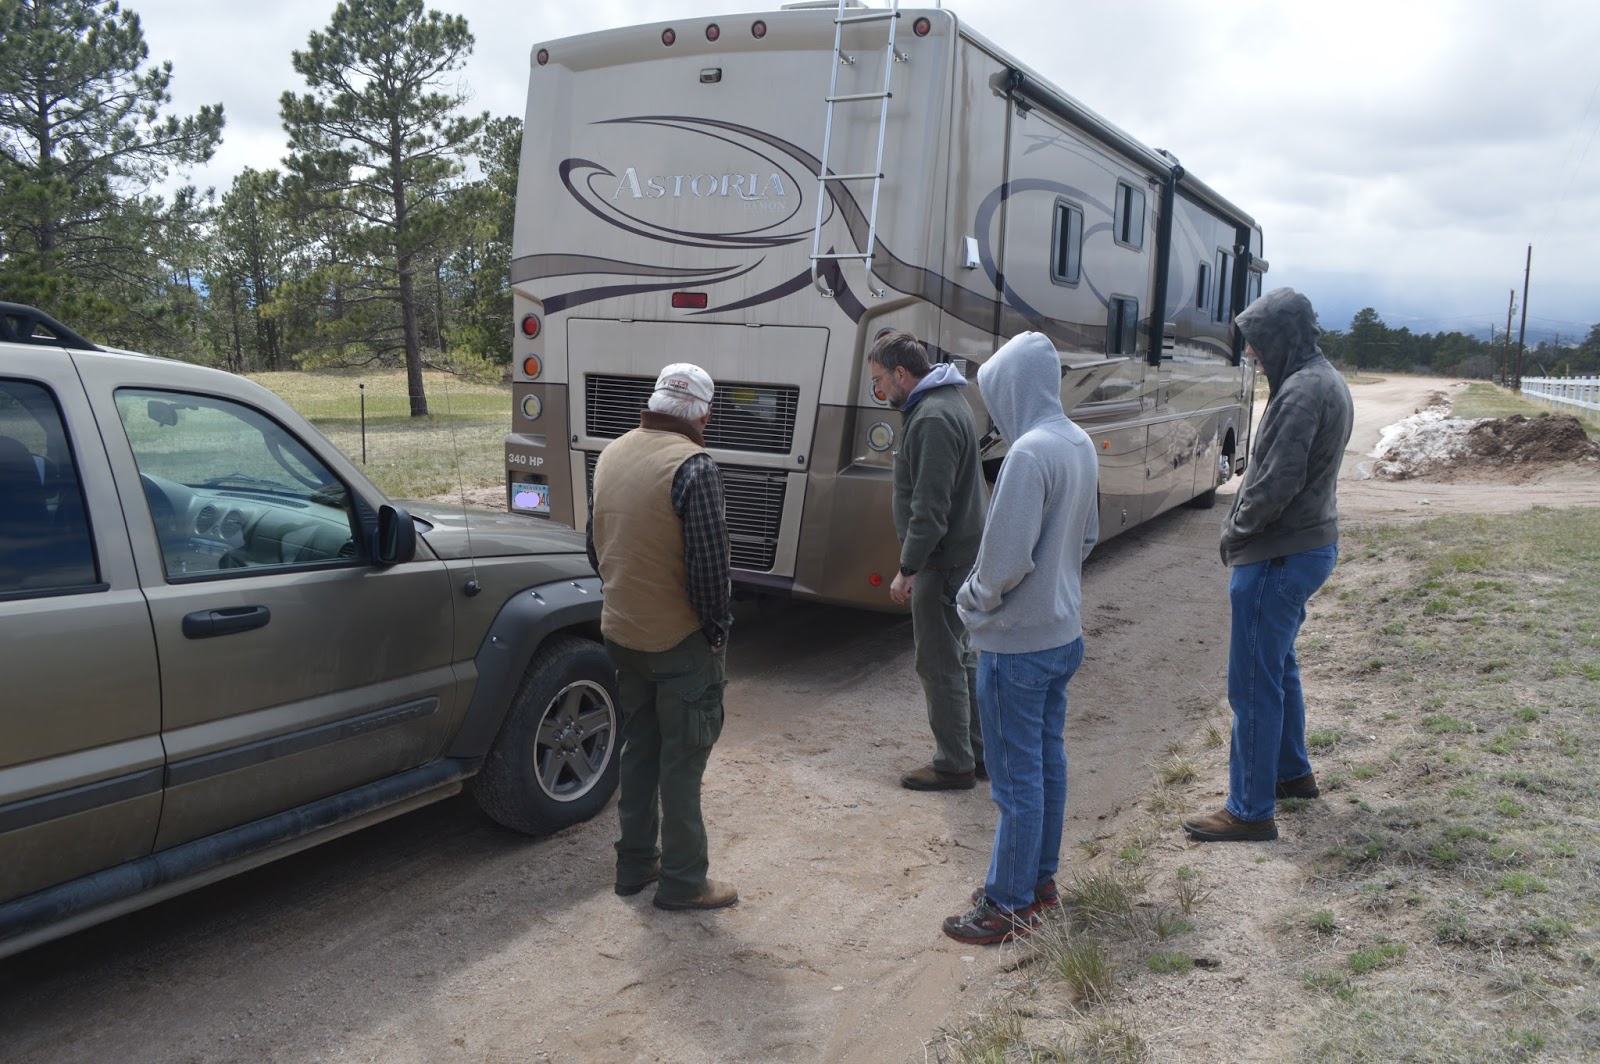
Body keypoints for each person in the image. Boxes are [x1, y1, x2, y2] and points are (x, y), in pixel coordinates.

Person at [940, 331, 1099, 945]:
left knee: (1014, 781)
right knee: (1046, 764)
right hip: (1062, 634)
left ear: (1012, 388)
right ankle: (1037, 882)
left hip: (1017, 645)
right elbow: (1083, 540)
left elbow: (1004, 561)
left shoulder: (1029, 454)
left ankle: (1007, 904)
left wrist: (971, 601)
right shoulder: (1077, 442)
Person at [1183, 288, 1354, 843]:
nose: (1251, 351)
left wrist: (1236, 532)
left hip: (1279, 552)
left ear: (1282, 335)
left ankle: (1250, 810)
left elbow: (1278, 481)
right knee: (1278, 668)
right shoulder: (1322, 378)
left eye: (1257, 340)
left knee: (1252, 684)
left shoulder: (1302, 391)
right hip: (1306, 546)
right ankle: (1292, 774)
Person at [587, 363, 738, 909]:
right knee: (684, 758)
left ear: (655, 401)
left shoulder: (612, 453)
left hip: (621, 630)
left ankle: (634, 865)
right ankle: (682, 880)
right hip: (678, 640)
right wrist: (716, 631)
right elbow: (708, 569)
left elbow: (595, 544)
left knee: (640, 747)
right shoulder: (695, 467)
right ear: (703, 414)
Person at [869, 331, 987, 791]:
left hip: (943, 563)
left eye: (880, 381)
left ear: (901, 374)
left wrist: (908, 568)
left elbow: (930, 508)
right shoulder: (949, 402)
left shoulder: (932, 418)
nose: (880, 391)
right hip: (959, 556)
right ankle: (979, 754)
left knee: (940, 664)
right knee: (962, 658)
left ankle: (954, 763)